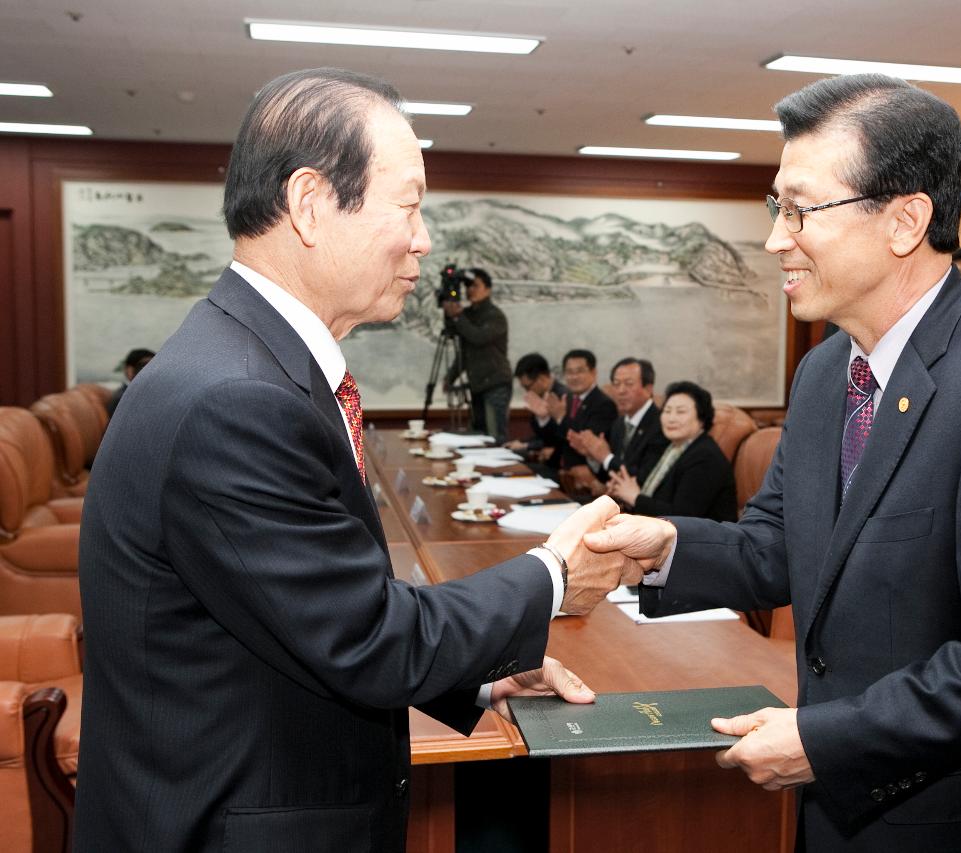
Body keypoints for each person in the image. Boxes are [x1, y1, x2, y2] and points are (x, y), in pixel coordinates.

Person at [74, 68, 627, 853]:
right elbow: (365, 634)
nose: (425, 237)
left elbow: (308, 610)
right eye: (409, 203)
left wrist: (474, 672)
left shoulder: (246, 360)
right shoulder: (234, 397)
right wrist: (554, 573)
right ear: (310, 204)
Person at [587, 73, 961, 852]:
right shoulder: (828, 370)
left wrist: (827, 740)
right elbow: (780, 545)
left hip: (960, 821)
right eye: (776, 208)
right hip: (843, 805)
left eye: (801, 210)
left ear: (905, 220)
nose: (774, 240)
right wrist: (662, 548)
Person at [605, 380, 736, 522]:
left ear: (701, 419)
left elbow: (683, 517)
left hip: (706, 541)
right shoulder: (672, 449)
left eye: (681, 412)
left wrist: (635, 497)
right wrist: (623, 489)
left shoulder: (705, 457)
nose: (671, 418)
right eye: (667, 411)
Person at [566, 356, 668, 487]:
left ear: (648, 389)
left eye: (629, 384)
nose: (621, 391)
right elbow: (607, 476)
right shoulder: (619, 423)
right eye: (616, 384)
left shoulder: (661, 424)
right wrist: (594, 457)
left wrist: (606, 457)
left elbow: (644, 479)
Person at [443, 267, 513, 442]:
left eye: (475, 286)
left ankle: (498, 469)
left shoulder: (495, 316)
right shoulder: (467, 314)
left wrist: (458, 317)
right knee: (479, 436)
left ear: (488, 289)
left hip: (495, 383)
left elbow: (478, 337)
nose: (470, 290)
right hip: (477, 385)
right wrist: (450, 377)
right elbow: (464, 353)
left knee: (495, 437)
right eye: (468, 286)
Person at [553, 349, 617, 493]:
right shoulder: (568, 399)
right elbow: (558, 439)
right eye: (569, 372)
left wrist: (561, 418)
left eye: (579, 371)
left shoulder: (603, 404)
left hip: (590, 480)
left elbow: (584, 441)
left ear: (594, 372)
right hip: (563, 473)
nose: (574, 377)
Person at [507, 351, 569, 469]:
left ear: (542, 379)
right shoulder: (540, 396)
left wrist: (527, 445)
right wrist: (521, 442)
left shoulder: (562, 397)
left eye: (528, 387)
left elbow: (558, 438)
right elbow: (540, 435)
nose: (527, 392)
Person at [105, 347, 154, 417]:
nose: (151, 371)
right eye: (144, 366)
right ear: (129, 370)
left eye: (154, 366)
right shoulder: (122, 398)